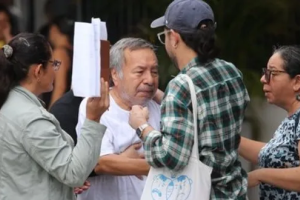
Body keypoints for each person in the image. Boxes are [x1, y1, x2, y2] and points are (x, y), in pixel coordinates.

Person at [128, 0, 249, 199]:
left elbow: (172, 157)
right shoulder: (230, 71)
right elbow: (210, 117)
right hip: (234, 191)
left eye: (164, 35)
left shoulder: (181, 86)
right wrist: (166, 98)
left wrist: (141, 126)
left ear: (174, 38)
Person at [0, 32, 109, 200]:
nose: (55, 70)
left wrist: (63, 184)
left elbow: (26, 169)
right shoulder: (30, 118)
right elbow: (74, 173)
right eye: (53, 64)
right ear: (38, 71)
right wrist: (93, 119)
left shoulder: (9, 103)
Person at [76, 37, 161, 200]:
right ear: (115, 74)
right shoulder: (97, 105)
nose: (149, 80)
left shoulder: (158, 105)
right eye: (140, 72)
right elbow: (101, 162)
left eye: (154, 72)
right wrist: (164, 165)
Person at [239, 45, 300, 199]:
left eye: (272, 73)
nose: (263, 79)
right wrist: (227, 139)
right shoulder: (291, 119)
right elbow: (271, 154)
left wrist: (260, 175)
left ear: (297, 82)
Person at [42, 15, 75, 109]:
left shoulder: (59, 54)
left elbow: (60, 86)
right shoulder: (73, 51)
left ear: (54, 29)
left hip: (60, 109)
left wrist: (51, 114)